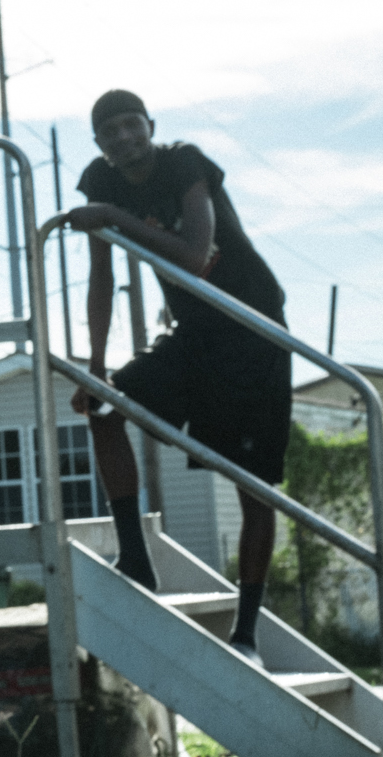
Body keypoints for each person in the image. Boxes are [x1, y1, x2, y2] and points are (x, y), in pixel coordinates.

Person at [50, 89, 291, 662]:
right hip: (195, 332)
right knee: (103, 406)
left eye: (132, 124)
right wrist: (95, 367)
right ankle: (136, 558)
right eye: (110, 131)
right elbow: (101, 277)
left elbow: (193, 255)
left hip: (252, 330)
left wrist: (115, 218)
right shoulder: (101, 181)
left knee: (254, 486)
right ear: (98, 143)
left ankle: (246, 634)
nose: (124, 138)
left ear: (151, 126)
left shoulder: (184, 163)